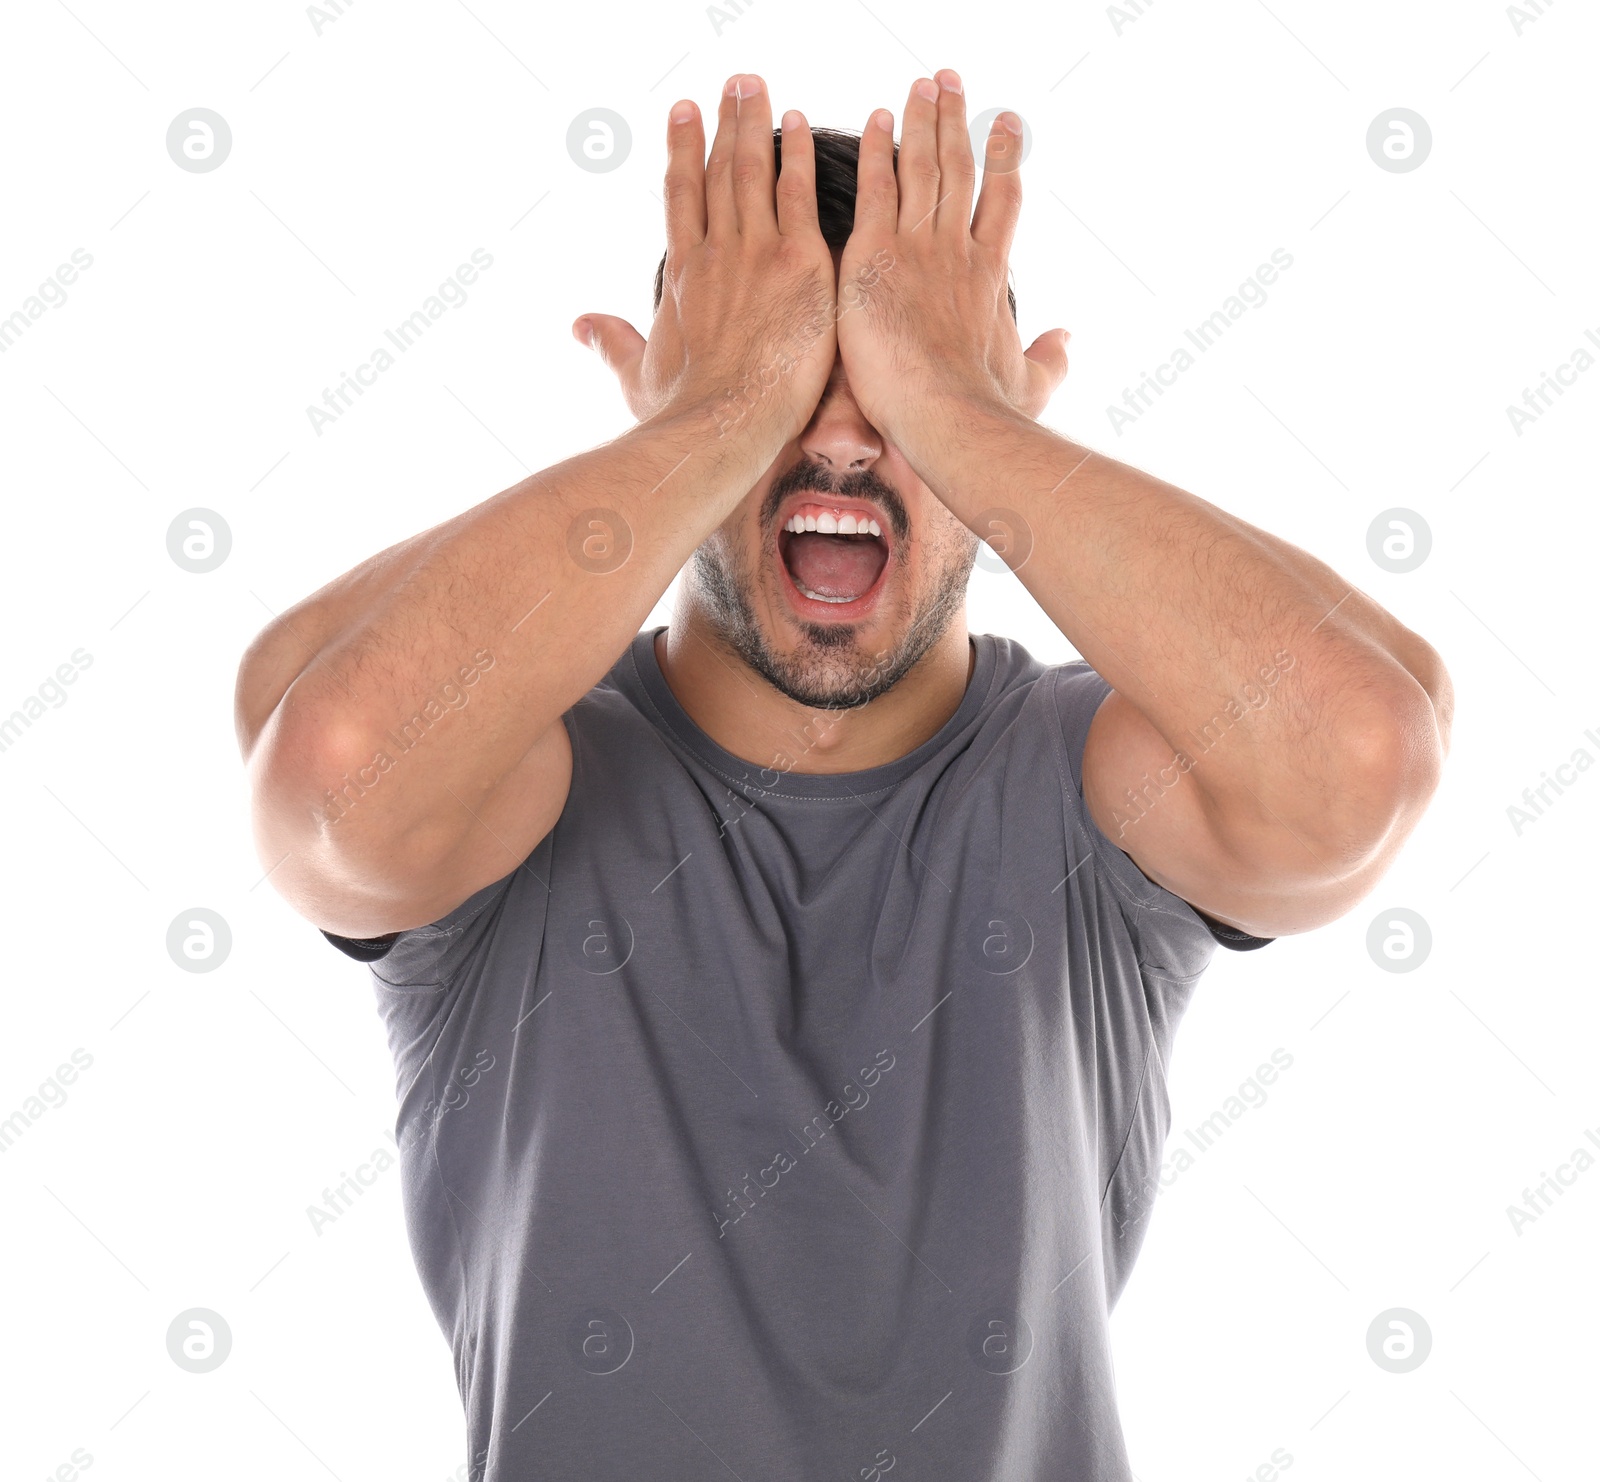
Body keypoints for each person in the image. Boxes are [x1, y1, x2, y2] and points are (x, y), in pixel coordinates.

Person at [234, 69, 1451, 1482]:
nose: (836, 436)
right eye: (777, 384)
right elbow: (322, 760)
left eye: (895, 382)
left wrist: (966, 419)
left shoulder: (1092, 789)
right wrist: (693, 431)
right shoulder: (520, 778)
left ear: (993, 417)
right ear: (678, 413)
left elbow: (1364, 746)